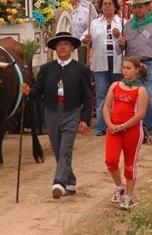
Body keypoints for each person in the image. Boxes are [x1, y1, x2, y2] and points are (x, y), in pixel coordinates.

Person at [21, 32, 92, 199]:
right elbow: (38, 90)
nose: (62, 47)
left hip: (72, 111)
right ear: (55, 48)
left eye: (66, 44)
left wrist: (84, 118)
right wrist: (28, 92)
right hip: (52, 111)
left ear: (72, 47)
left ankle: (59, 182)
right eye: (59, 44)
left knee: (65, 149)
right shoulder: (47, 69)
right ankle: (71, 182)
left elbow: (88, 96)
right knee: (57, 150)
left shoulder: (81, 69)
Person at [121, 0, 152, 144]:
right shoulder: (128, 25)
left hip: (151, 63)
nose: (137, 9)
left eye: (140, 6)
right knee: (133, 97)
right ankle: (136, 131)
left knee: (149, 95)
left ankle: (151, 130)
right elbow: (120, 50)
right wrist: (120, 43)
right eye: (135, 6)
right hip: (133, 64)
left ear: (147, 6)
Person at [103, 57, 148, 210]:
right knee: (110, 160)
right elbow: (106, 106)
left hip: (132, 131)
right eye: (124, 68)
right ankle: (119, 185)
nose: (125, 71)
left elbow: (140, 114)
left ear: (137, 70)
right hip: (114, 129)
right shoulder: (115, 85)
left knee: (130, 164)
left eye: (129, 68)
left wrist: (123, 126)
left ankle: (128, 196)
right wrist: (109, 124)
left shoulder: (141, 90)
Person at [81, 0, 125, 136]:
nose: (106, 6)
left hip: (117, 62)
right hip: (100, 63)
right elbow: (84, 39)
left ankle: (117, 123)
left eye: (109, 4)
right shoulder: (94, 23)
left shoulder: (122, 22)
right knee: (101, 94)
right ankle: (101, 125)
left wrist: (119, 37)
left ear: (115, 6)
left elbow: (126, 42)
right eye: (104, 4)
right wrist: (86, 39)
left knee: (117, 94)